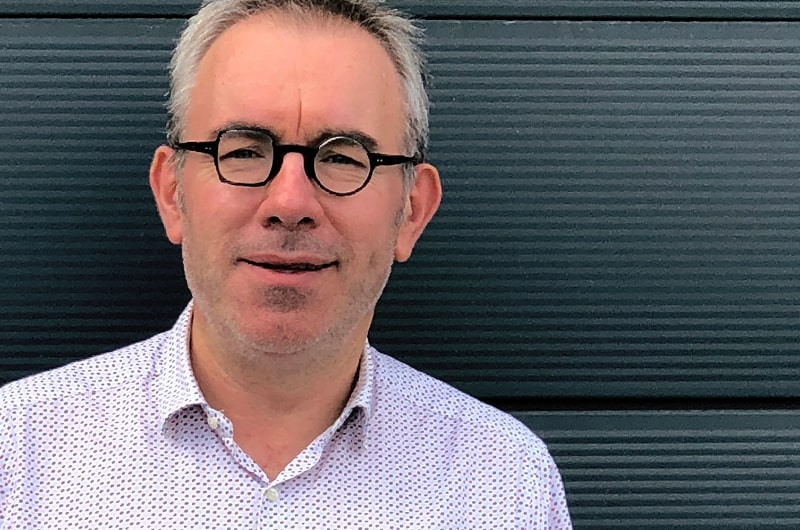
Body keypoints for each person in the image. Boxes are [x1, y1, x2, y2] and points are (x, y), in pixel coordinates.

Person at [0, 0, 572, 527]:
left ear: (412, 211)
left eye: (344, 157)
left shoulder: (504, 479)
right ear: (172, 194)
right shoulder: (18, 453)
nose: (291, 203)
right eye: (243, 150)